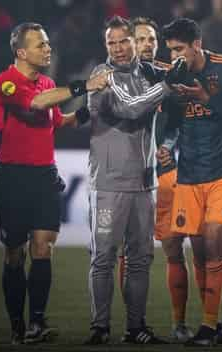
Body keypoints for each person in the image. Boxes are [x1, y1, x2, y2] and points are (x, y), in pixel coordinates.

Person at [0, 22, 109, 345]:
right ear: (21, 52)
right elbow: (37, 104)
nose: (47, 49)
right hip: (12, 177)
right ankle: (16, 324)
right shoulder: (5, 84)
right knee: (14, 252)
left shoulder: (48, 82)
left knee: (43, 247)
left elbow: (59, 121)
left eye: (47, 43)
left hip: (44, 176)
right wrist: (85, 85)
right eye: (40, 44)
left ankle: (36, 323)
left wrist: (90, 110)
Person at [84, 16, 188, 345]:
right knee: (103, 257)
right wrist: (168, 84)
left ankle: (135, 327)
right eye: (110, 43)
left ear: (134, 41)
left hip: (144, 183)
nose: (116, 48)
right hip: (109, 183)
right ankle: (100, 327)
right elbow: (130, 109)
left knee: (141, 258)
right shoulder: (103, 78)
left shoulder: (145, 74)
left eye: (122, 41)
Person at [161, 17, 222, 346]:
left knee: (214, 240)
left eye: (179, 49)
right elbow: (171, 124)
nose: (174, 57)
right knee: (198, 252)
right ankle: (214, 323)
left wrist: (206, 97)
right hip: (189, 174)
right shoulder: (174, 77)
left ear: (196, 44)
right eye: (170, 51)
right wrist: (166, 147)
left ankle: (209, 327)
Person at [115, 16, 194, 343]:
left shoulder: (169, 77)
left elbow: (177, 123)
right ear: (130, 42)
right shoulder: (117, 79)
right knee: (129, 254)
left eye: (152, 39)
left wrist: (168, 145)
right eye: (142, 39)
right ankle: (135, 325)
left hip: (164, 176)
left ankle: (178, 324)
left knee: (175, 249)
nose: (148, 44)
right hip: (128, 178)